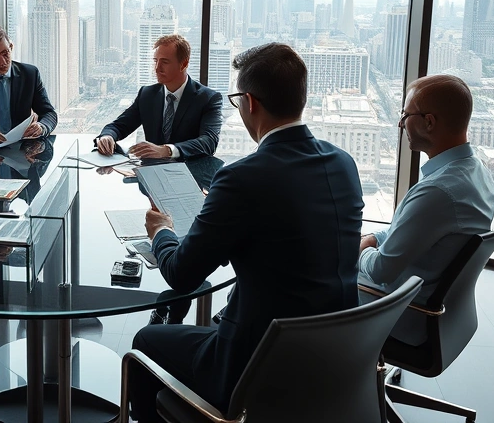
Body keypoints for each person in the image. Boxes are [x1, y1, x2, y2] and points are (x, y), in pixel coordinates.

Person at [129, 43, 364, 422]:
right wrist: (221, 209)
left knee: (145, 342)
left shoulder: (242, 178)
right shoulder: (343, 163)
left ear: (250, 103)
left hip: (258, 362)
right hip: (335, 353)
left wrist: (162, 231)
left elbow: (181, 274)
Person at [359, 74, 494, 298]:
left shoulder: (437, 193)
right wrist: (374, 238)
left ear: (429, 122)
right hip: (425, 291)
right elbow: (411, 231)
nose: (400, 123)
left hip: (396, 306)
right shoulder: (474, 170)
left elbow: (379, 271)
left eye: (405, 115)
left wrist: (362, 247)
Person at [96, 34, 222, 160]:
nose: (157, 68)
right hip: (152, 171)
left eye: (164, 62)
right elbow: (119, 125)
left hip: (190, 172)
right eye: (155, 61)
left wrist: (167, 150)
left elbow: (209, 142)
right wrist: (108, 136)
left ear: (184, 64)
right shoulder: (147, 94)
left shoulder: (208, 98)